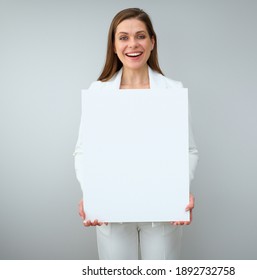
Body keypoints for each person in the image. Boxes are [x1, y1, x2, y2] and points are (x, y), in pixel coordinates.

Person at [73, 8, 199, 260]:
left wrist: (178, 190)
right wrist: (91, 193)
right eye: (123, 37)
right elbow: (83, 151)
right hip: (111, 209)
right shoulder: (98, 93)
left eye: (140, 36)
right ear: (114, 45)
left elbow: (188, 150)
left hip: (162, 212)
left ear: (152, 42)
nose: (133, 44)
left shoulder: (172, 90)